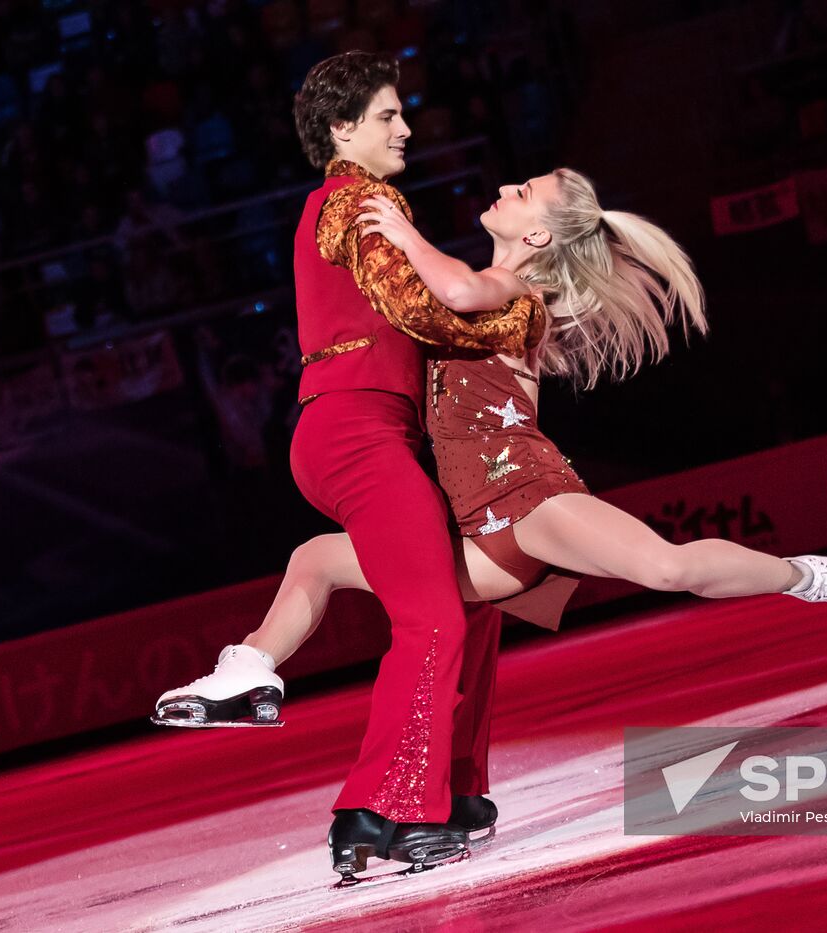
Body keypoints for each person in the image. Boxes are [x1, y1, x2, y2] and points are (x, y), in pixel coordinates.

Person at [158, 147, 827, 878]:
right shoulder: (475, 283)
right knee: (313, 559)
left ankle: (806, 574)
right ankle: (247, 670)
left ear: (539, 236)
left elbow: (454, 292)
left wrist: (400, 229)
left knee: (665, 565)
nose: (509, 186)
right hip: (477, 532)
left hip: (527, 495)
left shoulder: (514, 294)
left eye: (526, 190)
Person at [155, 52, 549, 880]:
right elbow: (416, 307)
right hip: (356, 432)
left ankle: (453, 786)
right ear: (343, 129)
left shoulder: (347, 201)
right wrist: (515, 316)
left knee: (471, 604)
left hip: (363, 429)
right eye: (387, 115)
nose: (405, 127)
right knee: (434, 616)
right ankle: (384, 810)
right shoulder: (361, 198)